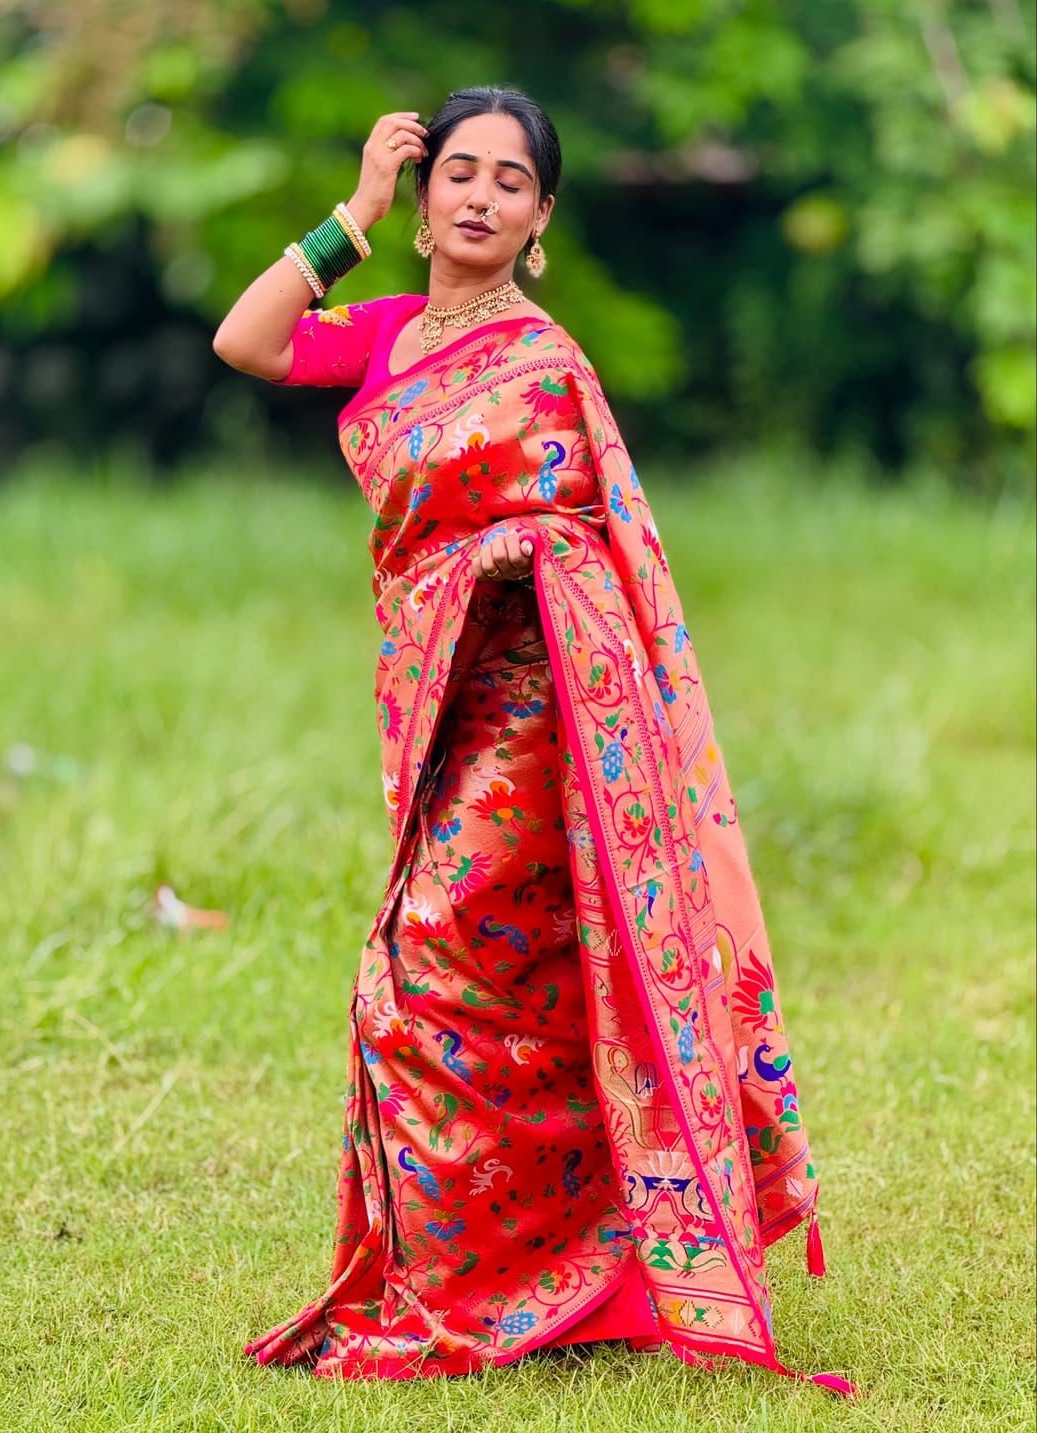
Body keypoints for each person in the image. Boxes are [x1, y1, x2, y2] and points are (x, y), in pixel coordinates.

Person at [213, 85, 855, 1398]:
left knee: (420, 968)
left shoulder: (548, 364)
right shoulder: (390, 337)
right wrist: (348, 217)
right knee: (517, 993)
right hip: (429, 704)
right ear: (426, 191)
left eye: (512, 180)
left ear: (541, 217)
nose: (481, 195)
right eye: (460, 170)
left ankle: (468, 1283)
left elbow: (587, 541)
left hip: (539, 706)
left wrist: (522, 547)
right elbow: (250, 343)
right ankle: (533, 1263)